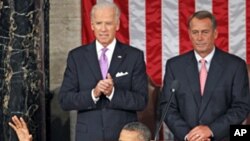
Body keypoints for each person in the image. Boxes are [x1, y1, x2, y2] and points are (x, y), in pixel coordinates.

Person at [58, 1, 148, 141]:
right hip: (88, 136)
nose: (103, 29)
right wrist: (93, 93)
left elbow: (141, 101)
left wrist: (113, 93)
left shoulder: (134, 56)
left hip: (123, 136)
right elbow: (65, 100)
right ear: (92, 25)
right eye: (99, 23)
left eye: (108, 23)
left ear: (117, 25)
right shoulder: (77, 57)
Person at [159, 10, 250, 141]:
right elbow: (167, 107)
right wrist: (188, 135)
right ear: (190, 35)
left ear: (215, 34)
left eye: (205, 32)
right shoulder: (174, 66)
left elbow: (241, 107)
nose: (199, 38)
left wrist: (211, 130)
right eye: (195, 32)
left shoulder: (235, 66)